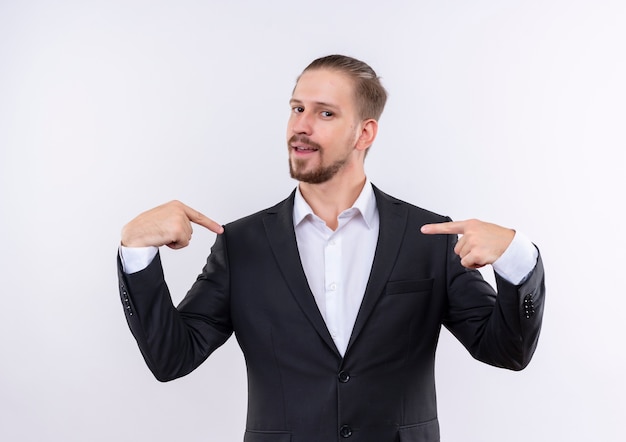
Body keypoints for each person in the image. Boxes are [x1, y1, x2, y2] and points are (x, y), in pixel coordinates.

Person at [117, 54, 544, 442]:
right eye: (297, 108)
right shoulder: (242, 245)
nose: (301, 125)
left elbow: (505, 350)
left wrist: (516, 260)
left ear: (365, 132)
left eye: (325, 113)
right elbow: (172, 358)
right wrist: (137, 253)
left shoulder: (429, 237)